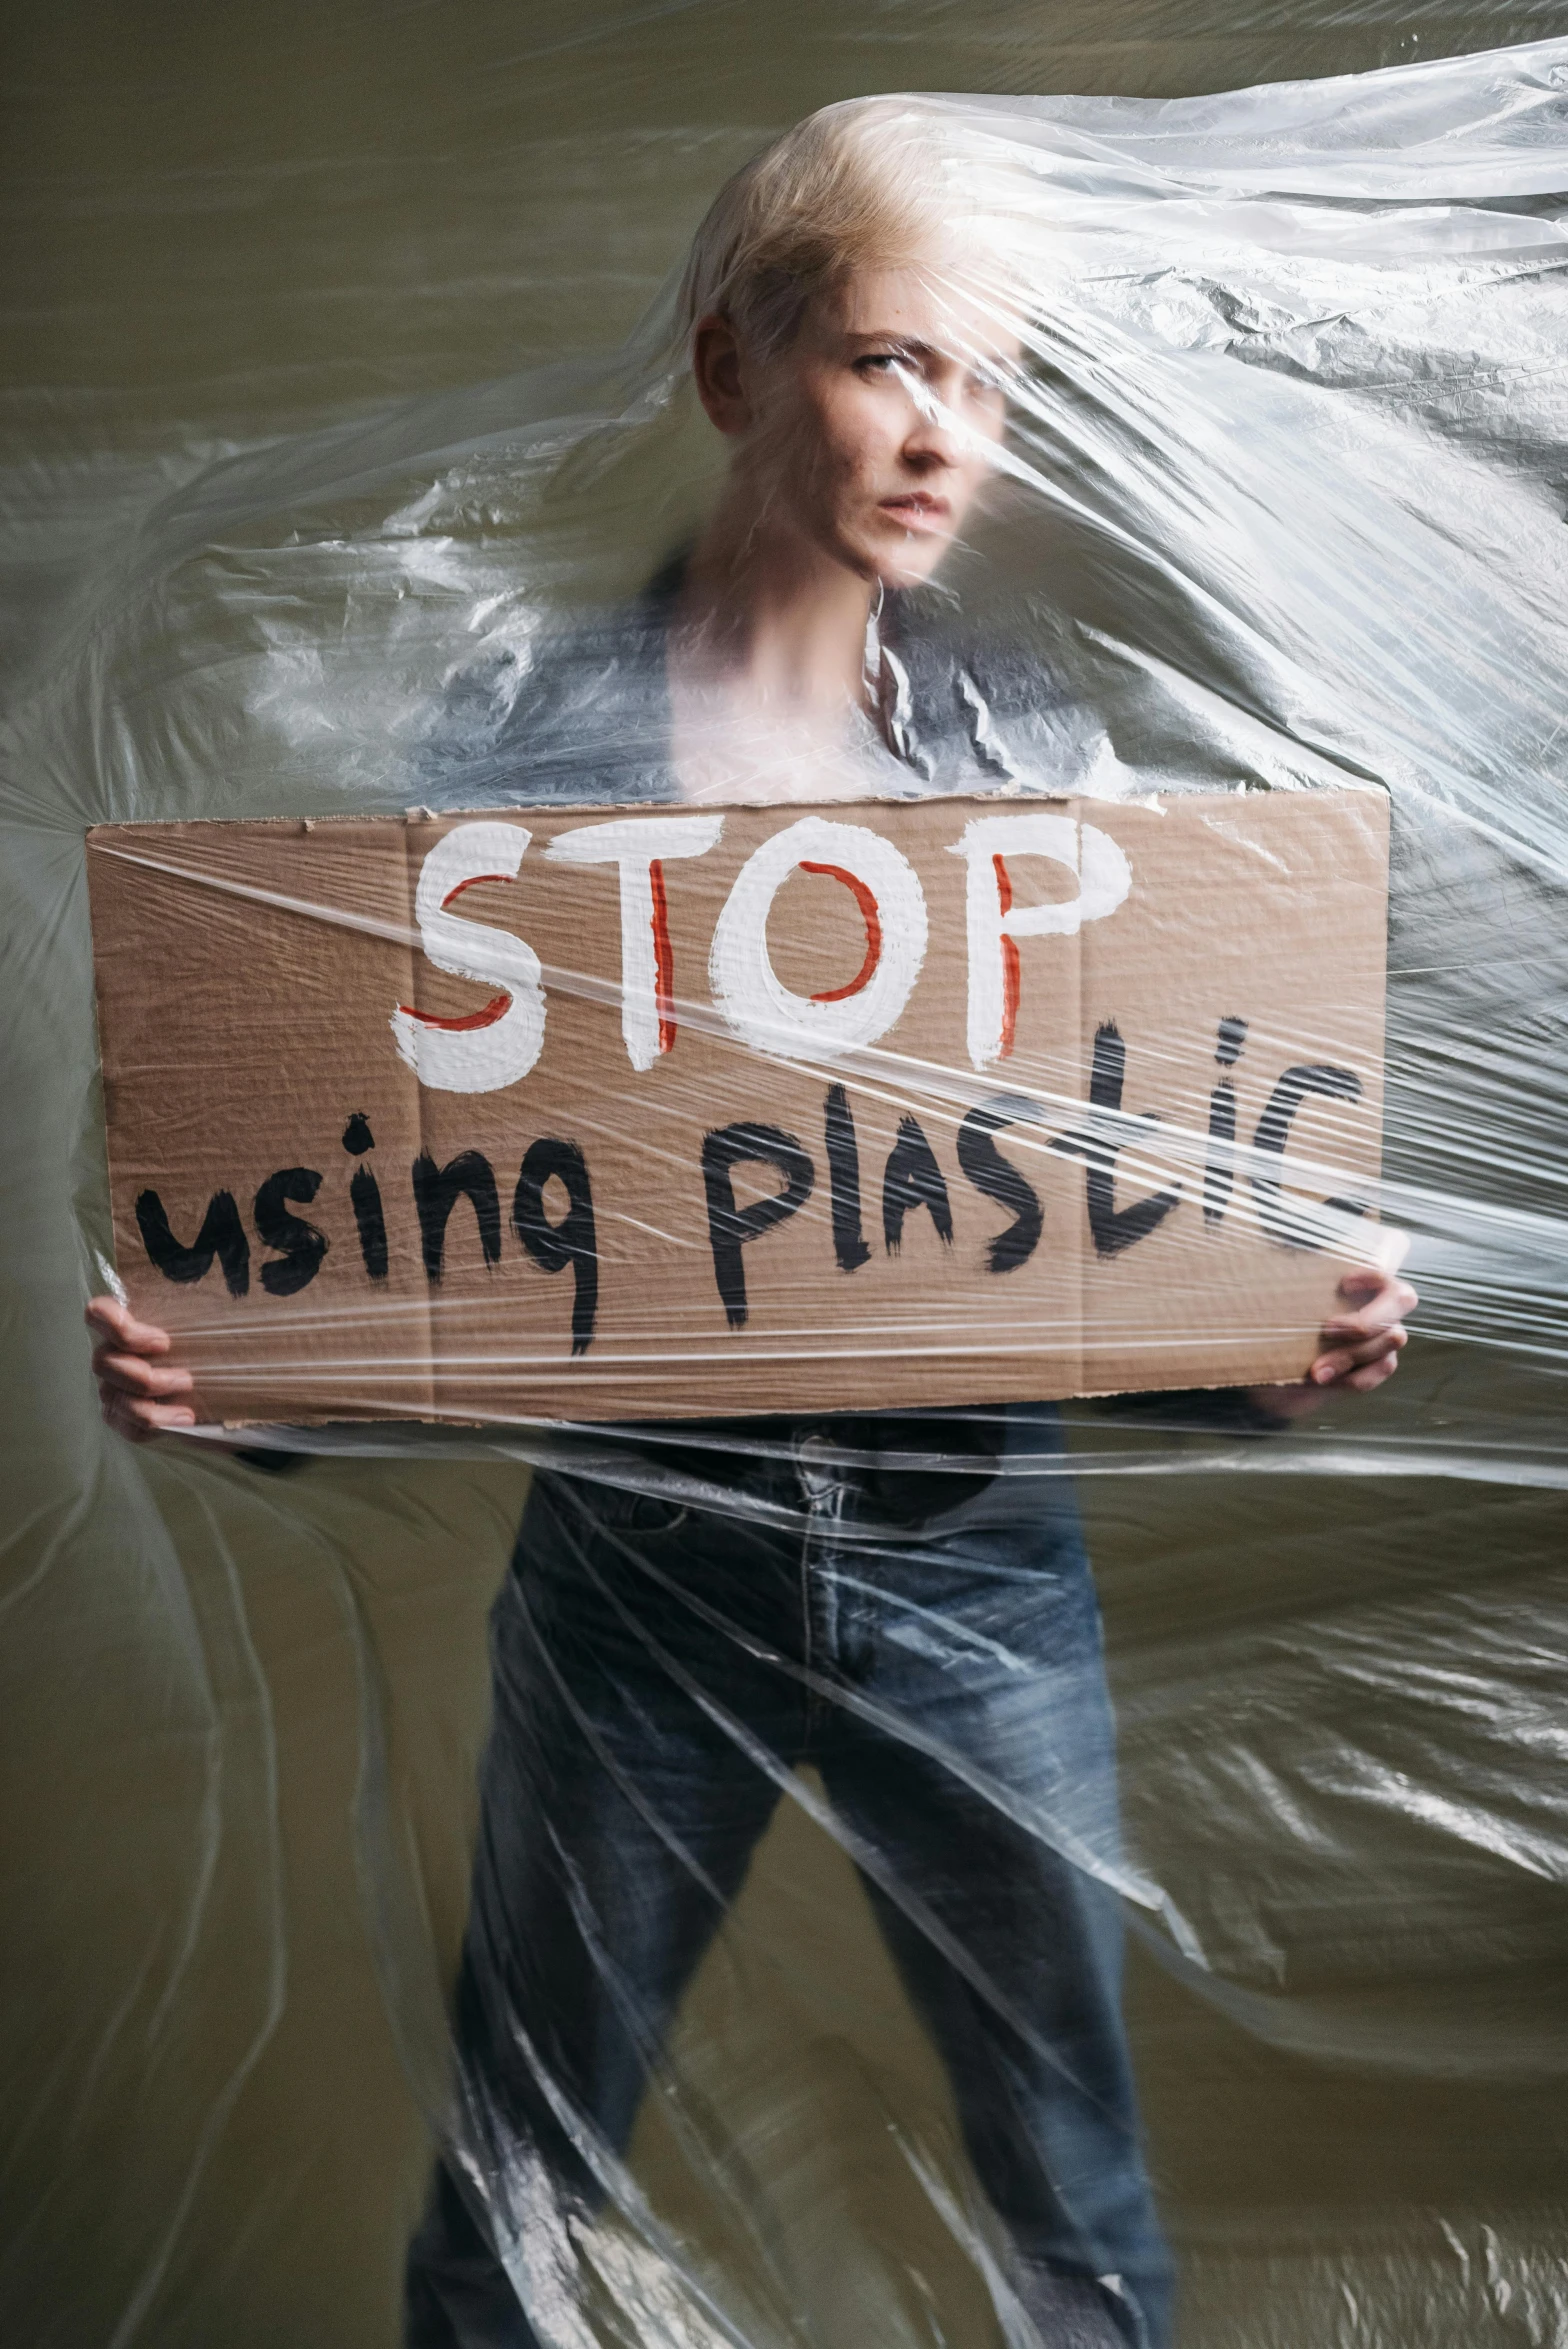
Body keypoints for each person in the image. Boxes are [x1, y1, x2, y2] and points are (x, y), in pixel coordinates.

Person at [86, 103, 1417, 2349]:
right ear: (732, 369)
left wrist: (1269, 1340)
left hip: (975, 1563)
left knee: (1072, 2191)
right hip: (635, 1589)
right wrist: (251, 1386)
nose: (944, 436)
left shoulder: (1018, 740)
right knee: (518, 2184)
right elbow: (459, 1206)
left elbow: (1064, 1210)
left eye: (984, 385)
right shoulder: (534, 752)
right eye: (893, 362)